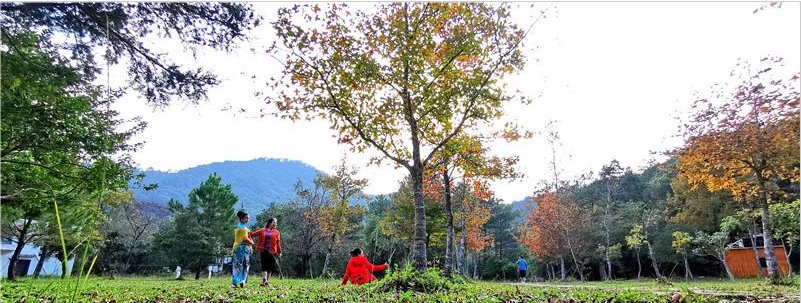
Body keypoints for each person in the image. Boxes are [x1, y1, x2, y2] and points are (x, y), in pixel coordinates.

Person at [249, 217, 282, 287]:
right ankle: (264, 279)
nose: (275, 224)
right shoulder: (262, 230)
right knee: (264, 265)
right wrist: (251, 241)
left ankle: (266, 281)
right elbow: (252, 234)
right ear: (270, 223)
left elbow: (278, 243)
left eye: (276, 223)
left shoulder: (277, 232)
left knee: (270, 267)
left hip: (273, 252)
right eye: (274, 222)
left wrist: (279, 252)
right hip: (263, 251)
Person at [231, 210, 254, 288]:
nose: (247, 220)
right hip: (241, 248)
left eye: (248, 218)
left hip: (242, 248)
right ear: (241, 218)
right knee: (242, 265)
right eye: (246, 218)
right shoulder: (243, 228)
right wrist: (252, 243)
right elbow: (245, 238)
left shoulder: (242, 227)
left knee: (240, 265)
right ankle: (240, 281)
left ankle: (240, 281)